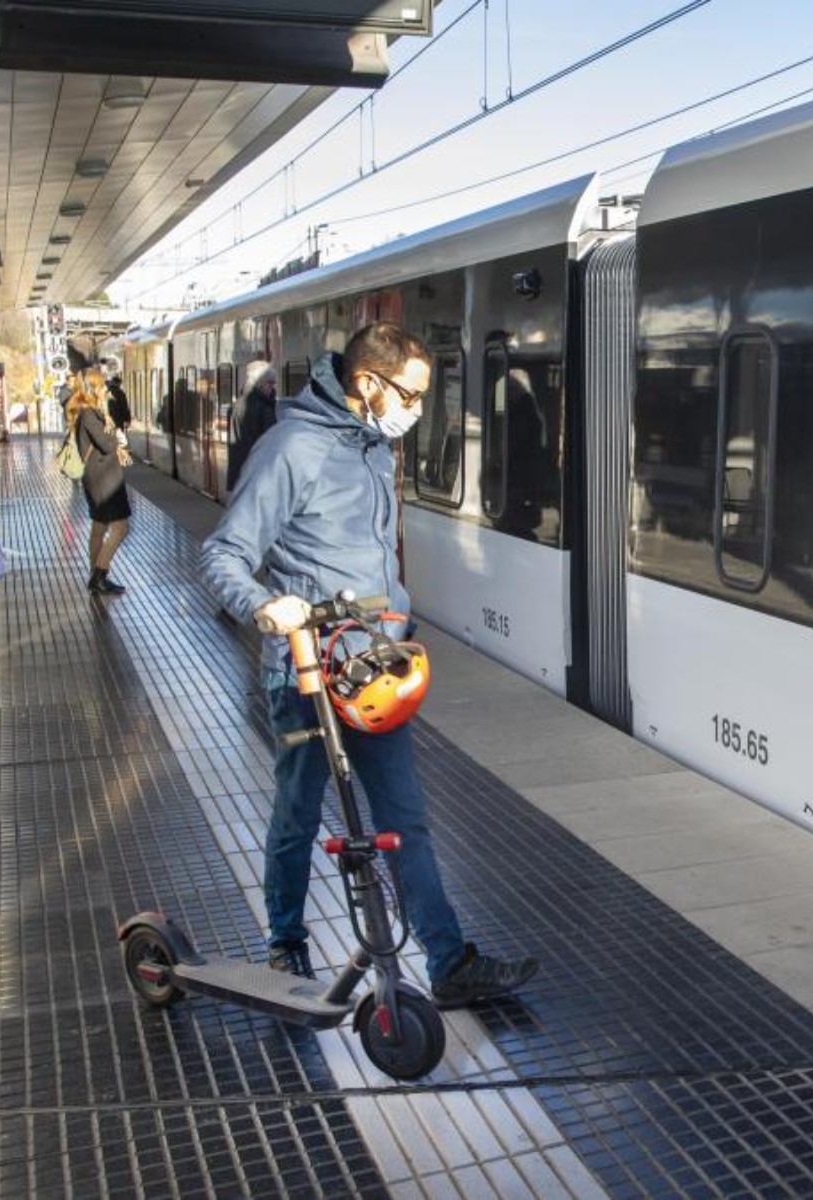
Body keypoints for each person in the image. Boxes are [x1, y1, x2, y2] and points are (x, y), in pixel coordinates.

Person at [201, 323, 539, 1006]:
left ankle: (448, 963)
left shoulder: (372, 449)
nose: (416, 409)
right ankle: (287, 944)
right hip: (305, 671)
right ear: (367, 384)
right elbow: (223, 555)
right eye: (411, 395)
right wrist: (267, 606)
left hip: (374, 670)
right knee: (297, 814)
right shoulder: (292, 449)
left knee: (403, 819)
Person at [67, 370, 132, 596]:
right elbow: (106, 444)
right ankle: (100, 575)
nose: (106, 389)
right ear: (93, 388)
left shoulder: (85, 412)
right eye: (102, 386)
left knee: (99, 527)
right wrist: (118, 436)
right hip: (104, 478)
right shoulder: (89, 414)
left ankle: (96, 574)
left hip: (96, 475)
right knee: (121, 528)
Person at [226, 360, 278, 493]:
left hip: (238, 473)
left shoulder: (237, 405)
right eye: (270, 383)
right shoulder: (265, 408)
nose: (273, 387)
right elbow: (271, 444)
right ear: (260, 384)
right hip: (257, 474)